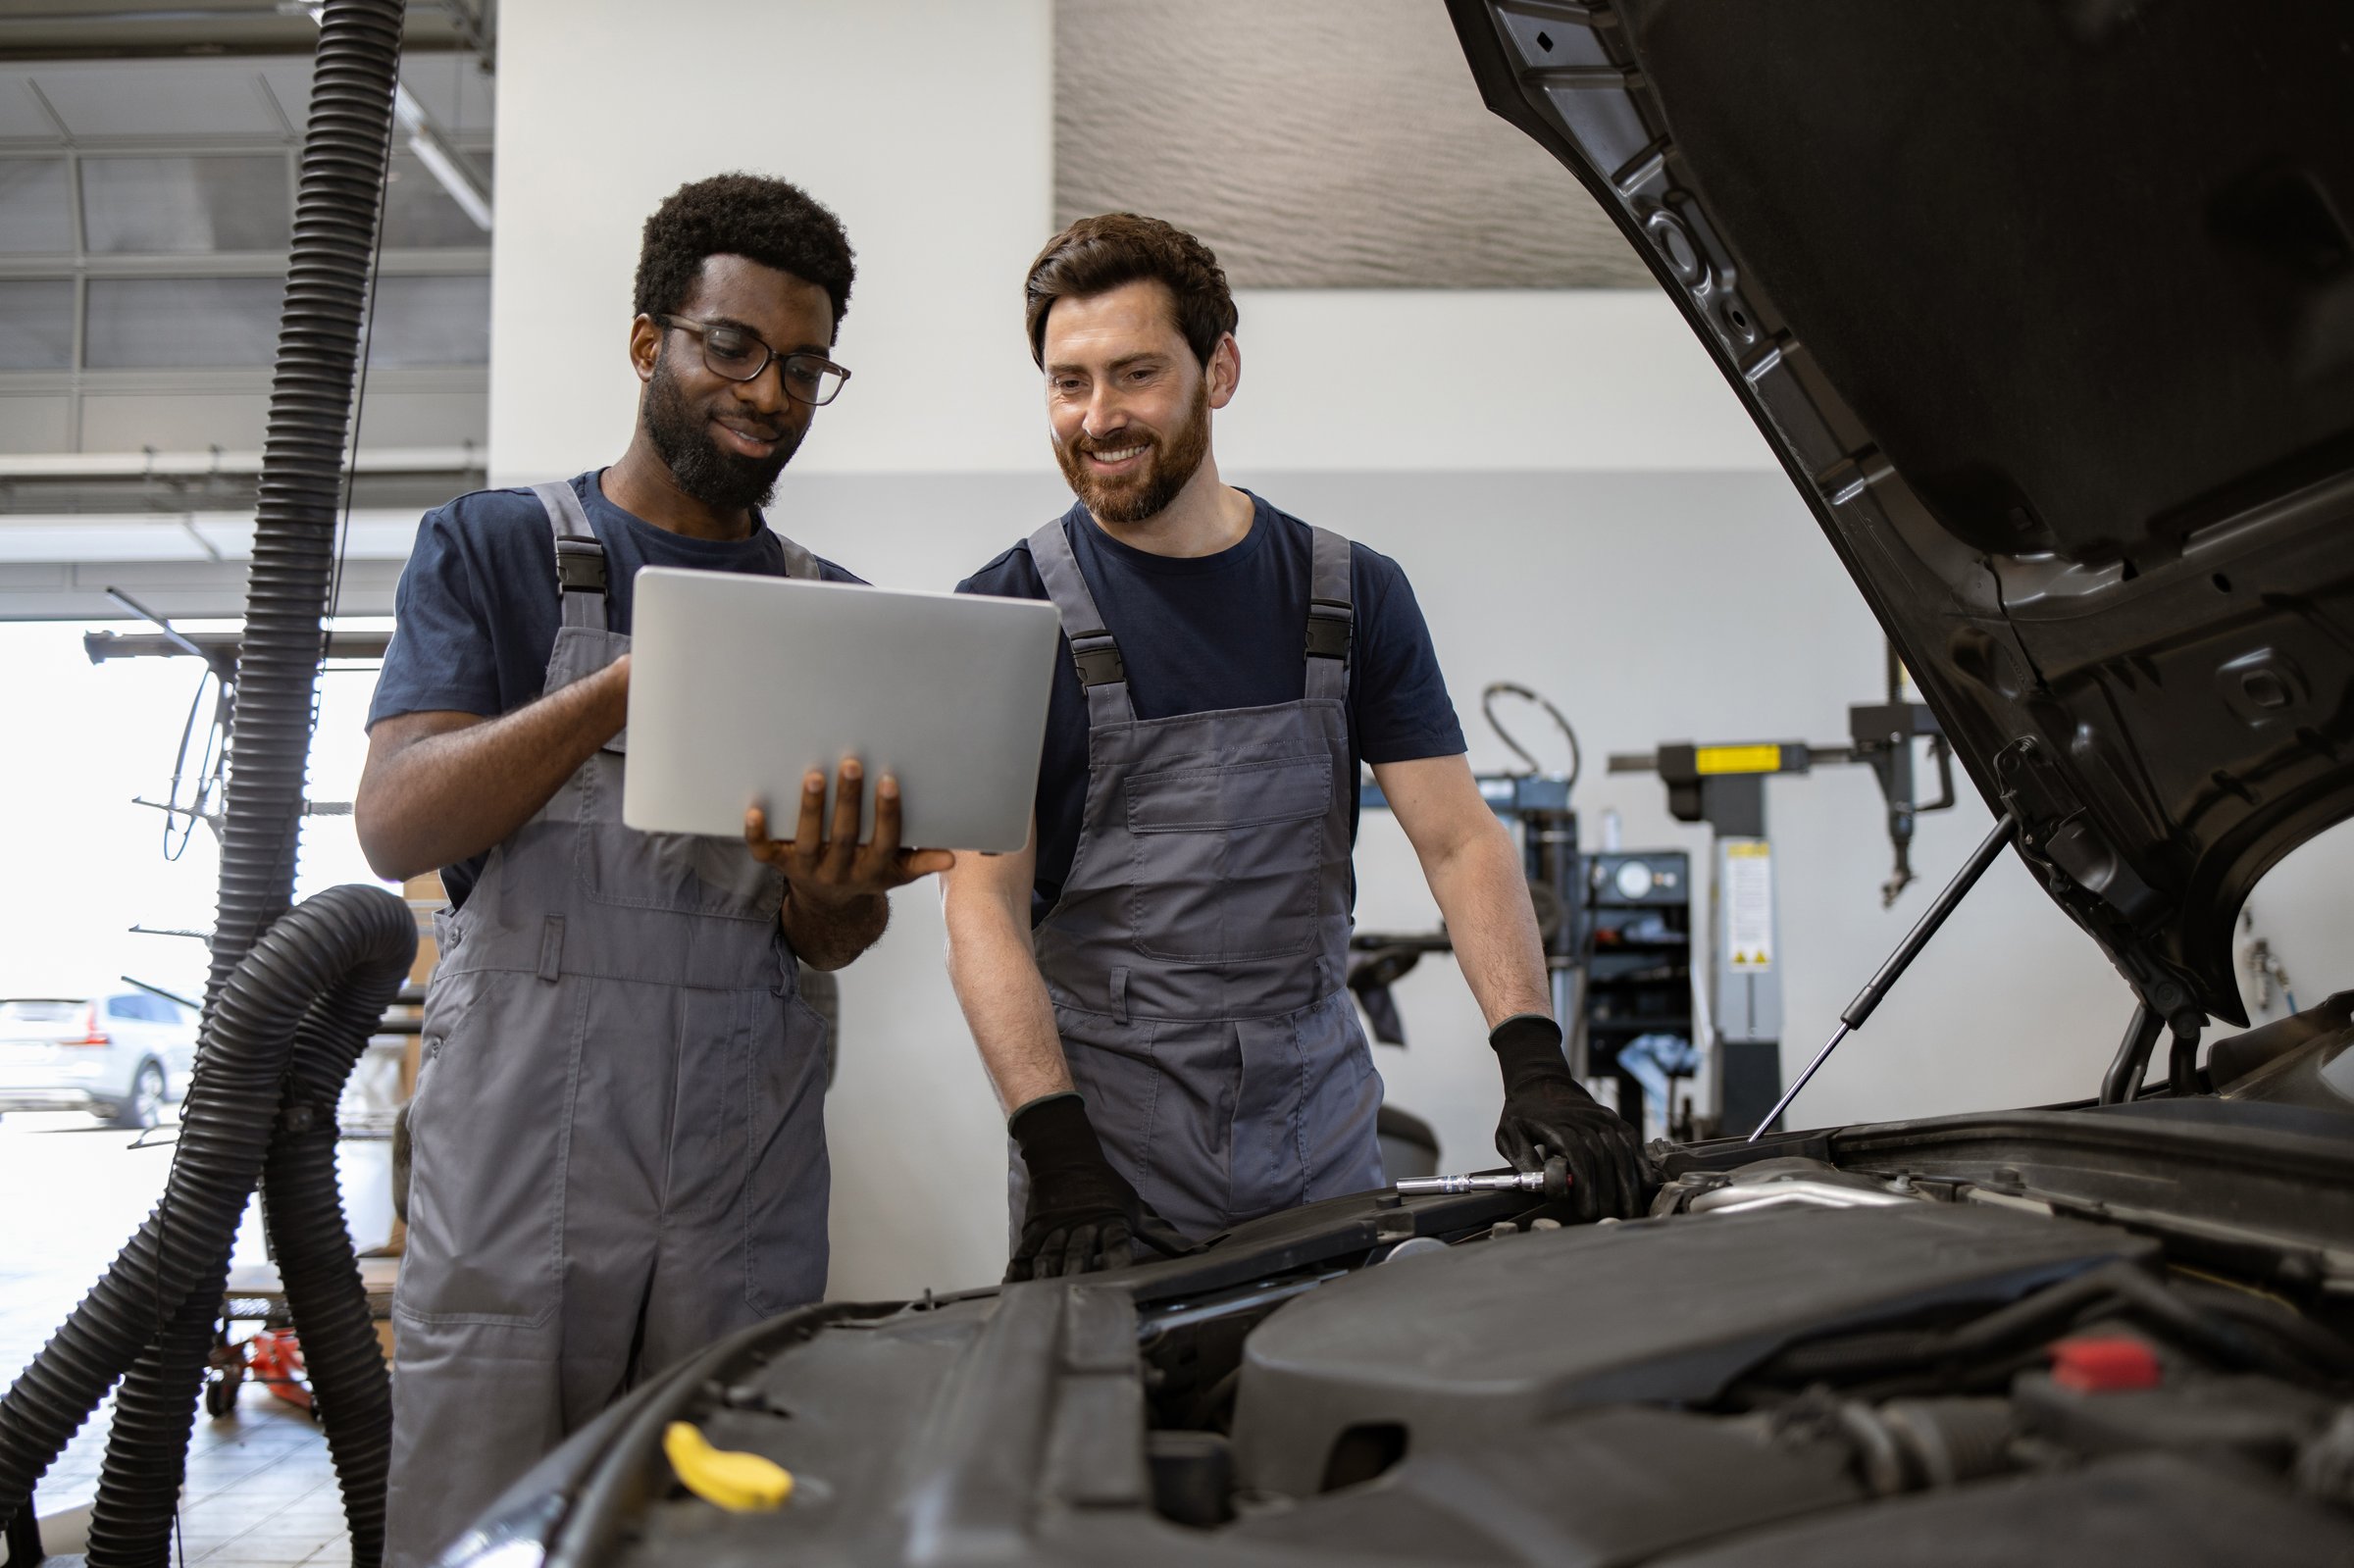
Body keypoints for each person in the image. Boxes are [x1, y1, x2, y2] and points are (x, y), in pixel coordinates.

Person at [355, 173, 949, 1567]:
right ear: (649, 343)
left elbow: (829, 935)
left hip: (740, 1155)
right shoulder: (494, 549)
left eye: (805, 366)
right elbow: (396, 822)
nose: (769, 391)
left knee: (726, 1522)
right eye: (732, 347)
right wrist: (630, 681)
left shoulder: (833, 616)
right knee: (478, 1517)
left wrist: (840, 882)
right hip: (523, 1144)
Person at [942, 213, 1648, 1282]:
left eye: (1134, 375)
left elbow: (1458, 843)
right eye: (1067, 382)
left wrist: (1533, 1060)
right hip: (1106, 1164)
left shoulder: (1353, 594)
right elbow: (980, 903)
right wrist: (1056, 1145)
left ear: (1218, 369)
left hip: (1322, 1146)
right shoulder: (1005, 612)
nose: (1098, 417)